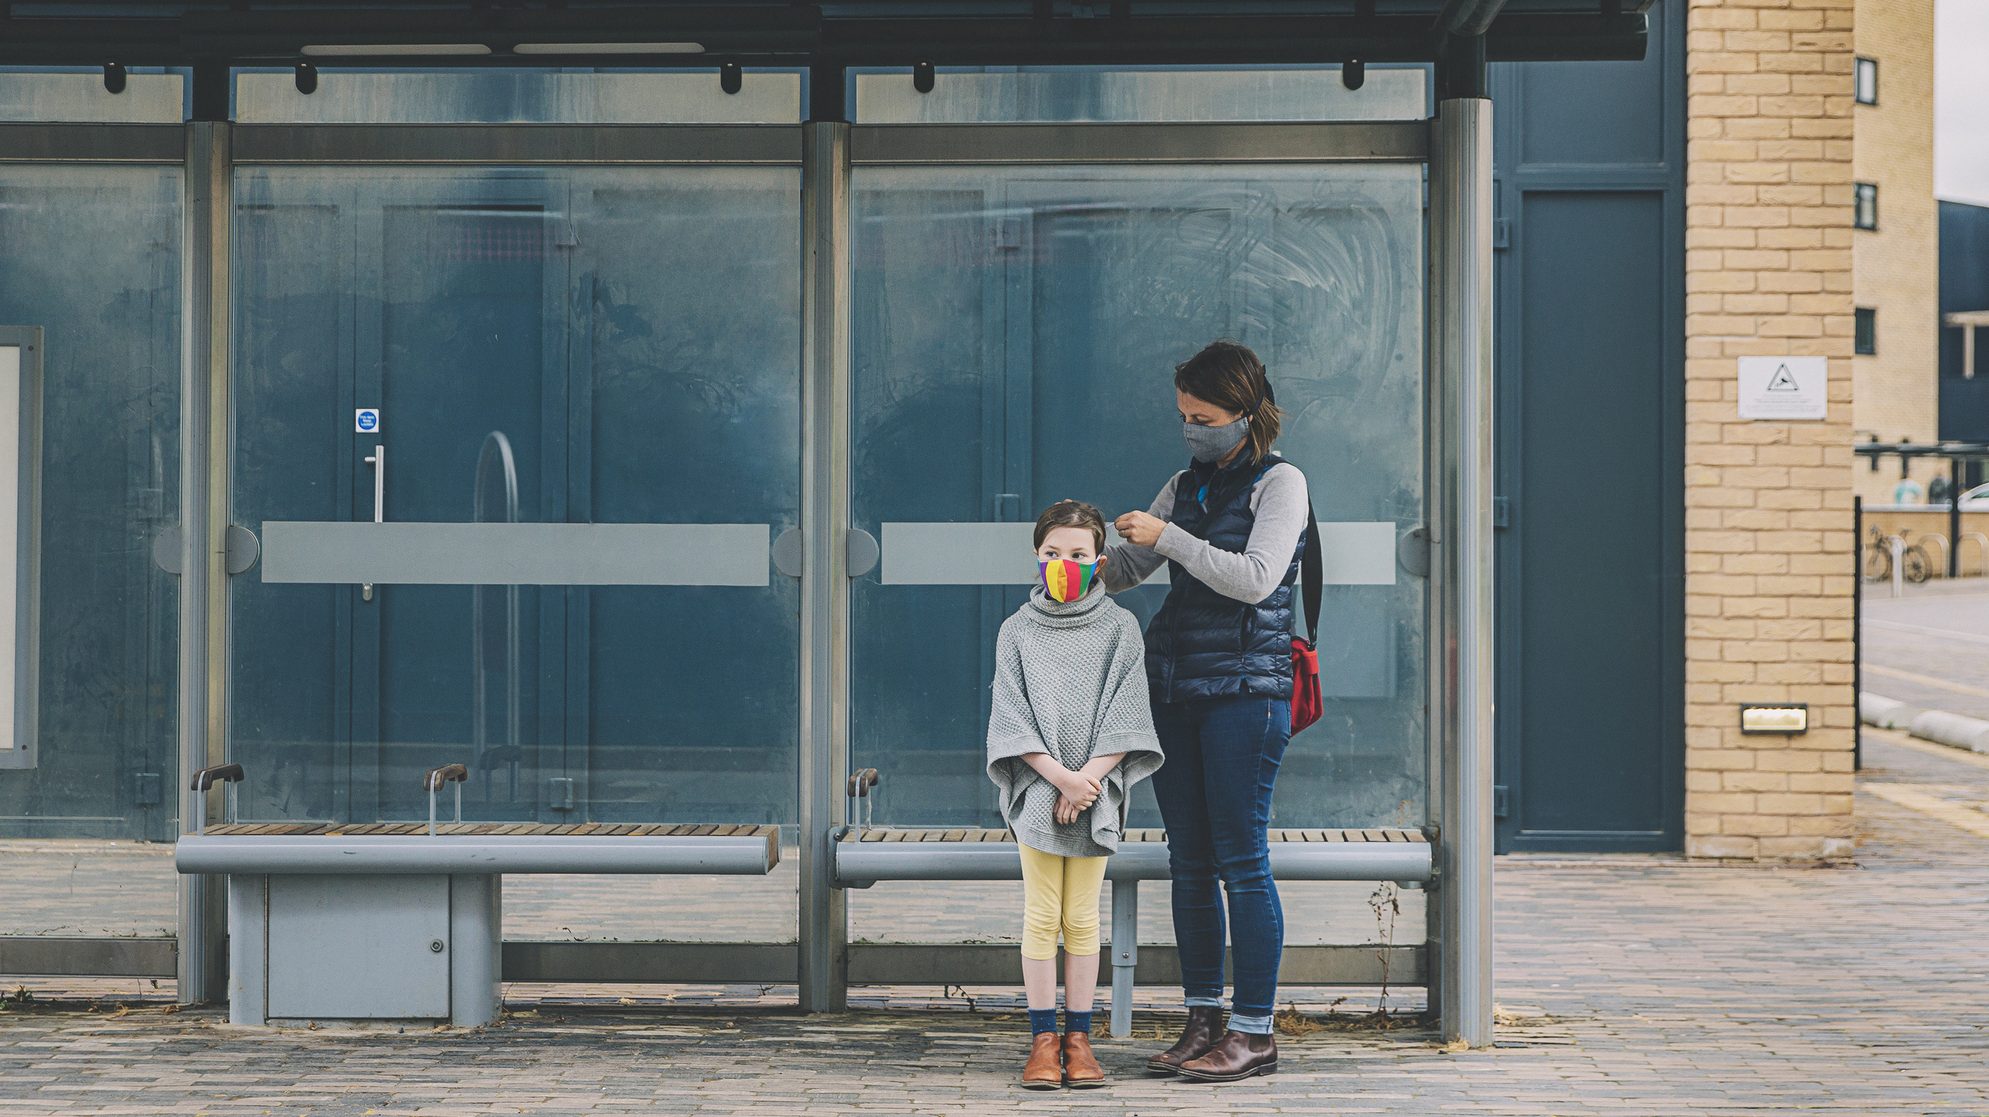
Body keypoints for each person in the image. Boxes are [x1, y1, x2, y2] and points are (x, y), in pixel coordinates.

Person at [1101, 339, 1310, 1083]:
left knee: (1240, 861)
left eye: (1205, 415)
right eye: (1184, 415)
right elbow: (1129, 571)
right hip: (1178, 686)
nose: (1192, 428)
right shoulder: (1181, 483)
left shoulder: (1280, 484)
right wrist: (1084, 552)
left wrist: (1172, 538)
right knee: (1187, 860)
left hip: (1246, 695)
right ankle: (1202, 1018)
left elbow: (1254, 579)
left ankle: (1254, 1031)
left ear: (1245, 413)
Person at [986, 499, 1165, 1090]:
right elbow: (1011, 718)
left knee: (1083, 917)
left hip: (1096, 792)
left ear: (1099, 561)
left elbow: (1127, 712)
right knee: (1042, 915)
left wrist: (1087, 780)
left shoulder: (1119, 629)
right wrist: (1059, 779)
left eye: (1078, 554)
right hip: (1039, 793)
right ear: (1037, 558)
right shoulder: (1016, 631)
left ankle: (1080, 1039)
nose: (1065, 562)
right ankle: (1042, 1039)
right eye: (1053, 554)